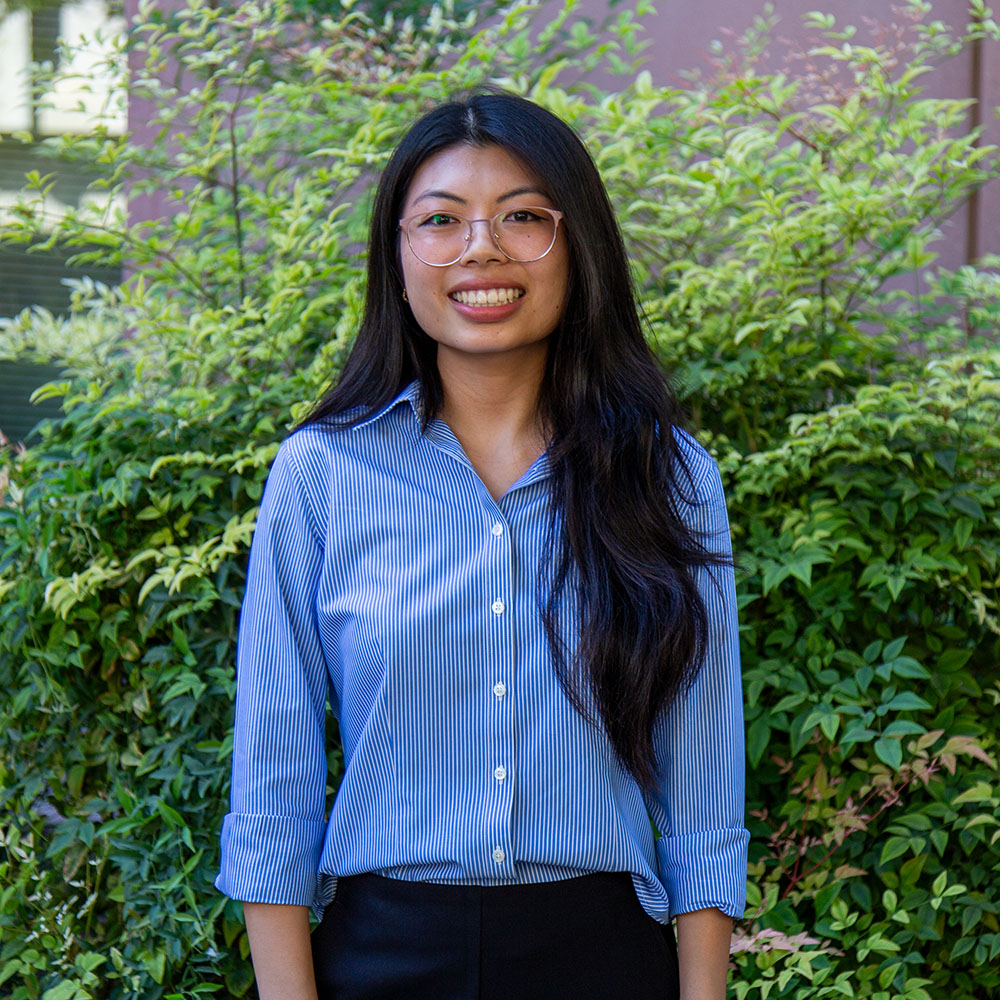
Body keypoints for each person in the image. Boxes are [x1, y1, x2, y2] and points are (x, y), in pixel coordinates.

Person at [216, 92, 749, 1000]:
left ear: (578, 246)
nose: (481, 249)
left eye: (524, 217)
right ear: (397, 256)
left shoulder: (669, 477)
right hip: (380, 954)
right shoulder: (320, 476)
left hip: (604, 956)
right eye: (441, 221)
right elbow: (277, 782)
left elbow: (702, 791)